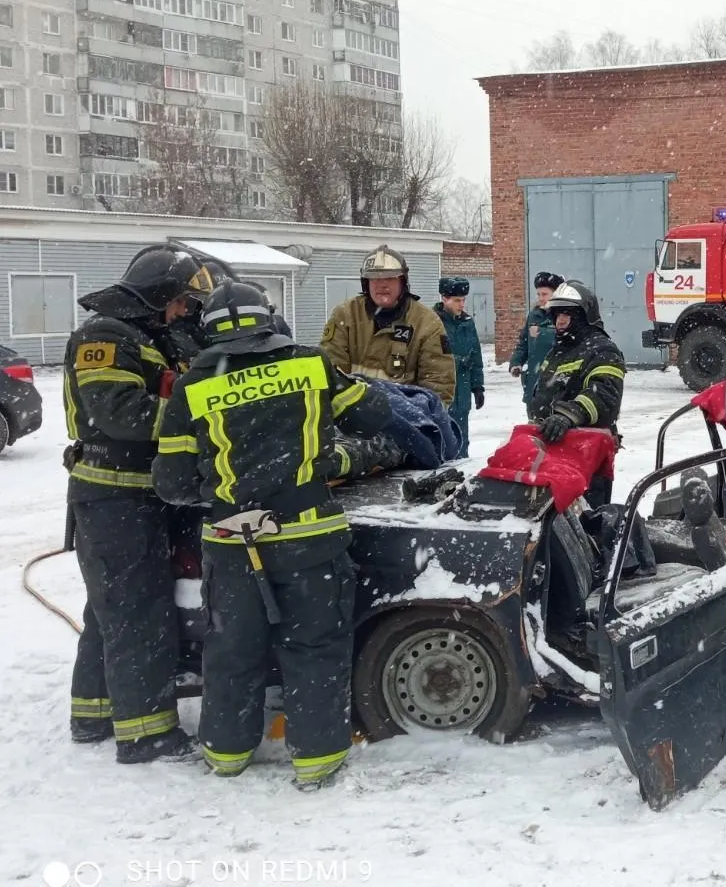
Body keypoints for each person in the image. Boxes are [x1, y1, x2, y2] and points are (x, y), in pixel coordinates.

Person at [154, 281, 391, 789]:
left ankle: (226, 752)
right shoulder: (309, 363)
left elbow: (171, 484)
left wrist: (221, 488)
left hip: (233, 542)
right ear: (269, 319)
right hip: (308, 537)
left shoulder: (192, 384)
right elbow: (376, 413)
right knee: (314, 646)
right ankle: (317, 759)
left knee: (232, 647)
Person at [62, 245, 217, 761]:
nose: (184, 313)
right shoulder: (103, 337)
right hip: (115, 494)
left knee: (111, 606)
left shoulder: (147, 337)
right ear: (157, 294)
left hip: (135, 493)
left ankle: (94, 713)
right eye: (180, 303)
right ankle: (146, 733)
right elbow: (120, 414)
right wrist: (197, 416)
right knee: (139, 609)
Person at [525, 281, 626, 505]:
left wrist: (567, 416)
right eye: (557, 315)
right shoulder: (559, 350)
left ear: (582, 317)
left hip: (585, 454)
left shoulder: (602, 349)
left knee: (586, 521)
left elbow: (605, 396)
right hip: (552, 450)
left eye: (566, 316)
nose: (559, 322)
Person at [320, 245, 455, 403]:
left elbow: (438, 386)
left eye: (390, 278)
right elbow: (330, 375)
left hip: (407, 421)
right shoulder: (345, 316)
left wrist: (412, 422)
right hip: (351, 419)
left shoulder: (427, 323)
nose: (382, 284)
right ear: (366, 283)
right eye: (375, 278)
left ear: (402, 282)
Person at [435, 277, 486, 457]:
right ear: (444, 298)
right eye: (457, 300)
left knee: (462, 441)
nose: (462, 304)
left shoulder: (467, 323)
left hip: (462, 393)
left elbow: (476, 356)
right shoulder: (434, 322)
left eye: (464, 299)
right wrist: (457, 361)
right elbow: (432, 356)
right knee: (441, 441)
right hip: (441, 392)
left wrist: (478, 386)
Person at [510, 271, 563, 418]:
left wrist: (541, 332)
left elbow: (563, 338)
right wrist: (516, 362)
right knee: (533, 427)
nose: (541, 298)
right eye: (538, 294)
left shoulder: (562, 315)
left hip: (555, 382)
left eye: (544, 294)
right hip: (533, 380)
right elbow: (524, 343)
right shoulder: (534, 315)